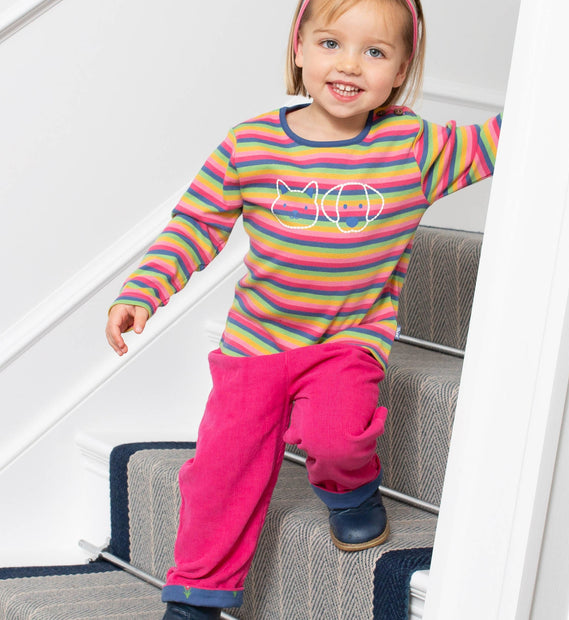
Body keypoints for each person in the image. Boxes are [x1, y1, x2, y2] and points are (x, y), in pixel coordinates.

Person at [105, 0, 502, 617]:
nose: (349, 65)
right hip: (255, 344)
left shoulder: (415, 147)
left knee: (337, 438)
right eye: (330, 43)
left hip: (348, 338)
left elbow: (508, 138)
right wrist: (142, 292)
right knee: (220, 475)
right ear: (298, 49)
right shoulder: (251, 144)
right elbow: (195, 227)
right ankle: (196, 599)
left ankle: (350, 492)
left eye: (376, 52)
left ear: (401, 70)